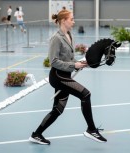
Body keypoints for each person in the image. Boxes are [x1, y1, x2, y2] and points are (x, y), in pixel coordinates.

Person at [29, 9, 107, 145]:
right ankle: (91, 130)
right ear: (64, 21)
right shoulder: (56, 38)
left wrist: (81, 63)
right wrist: (74, 66)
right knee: (85, 94)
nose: (74, 21)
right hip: (58, 76)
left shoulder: (69, 35)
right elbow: (53, 61)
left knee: (58, 109)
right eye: (71, 19)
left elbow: (69, 58)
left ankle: (36, 134)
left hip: (65, 75)